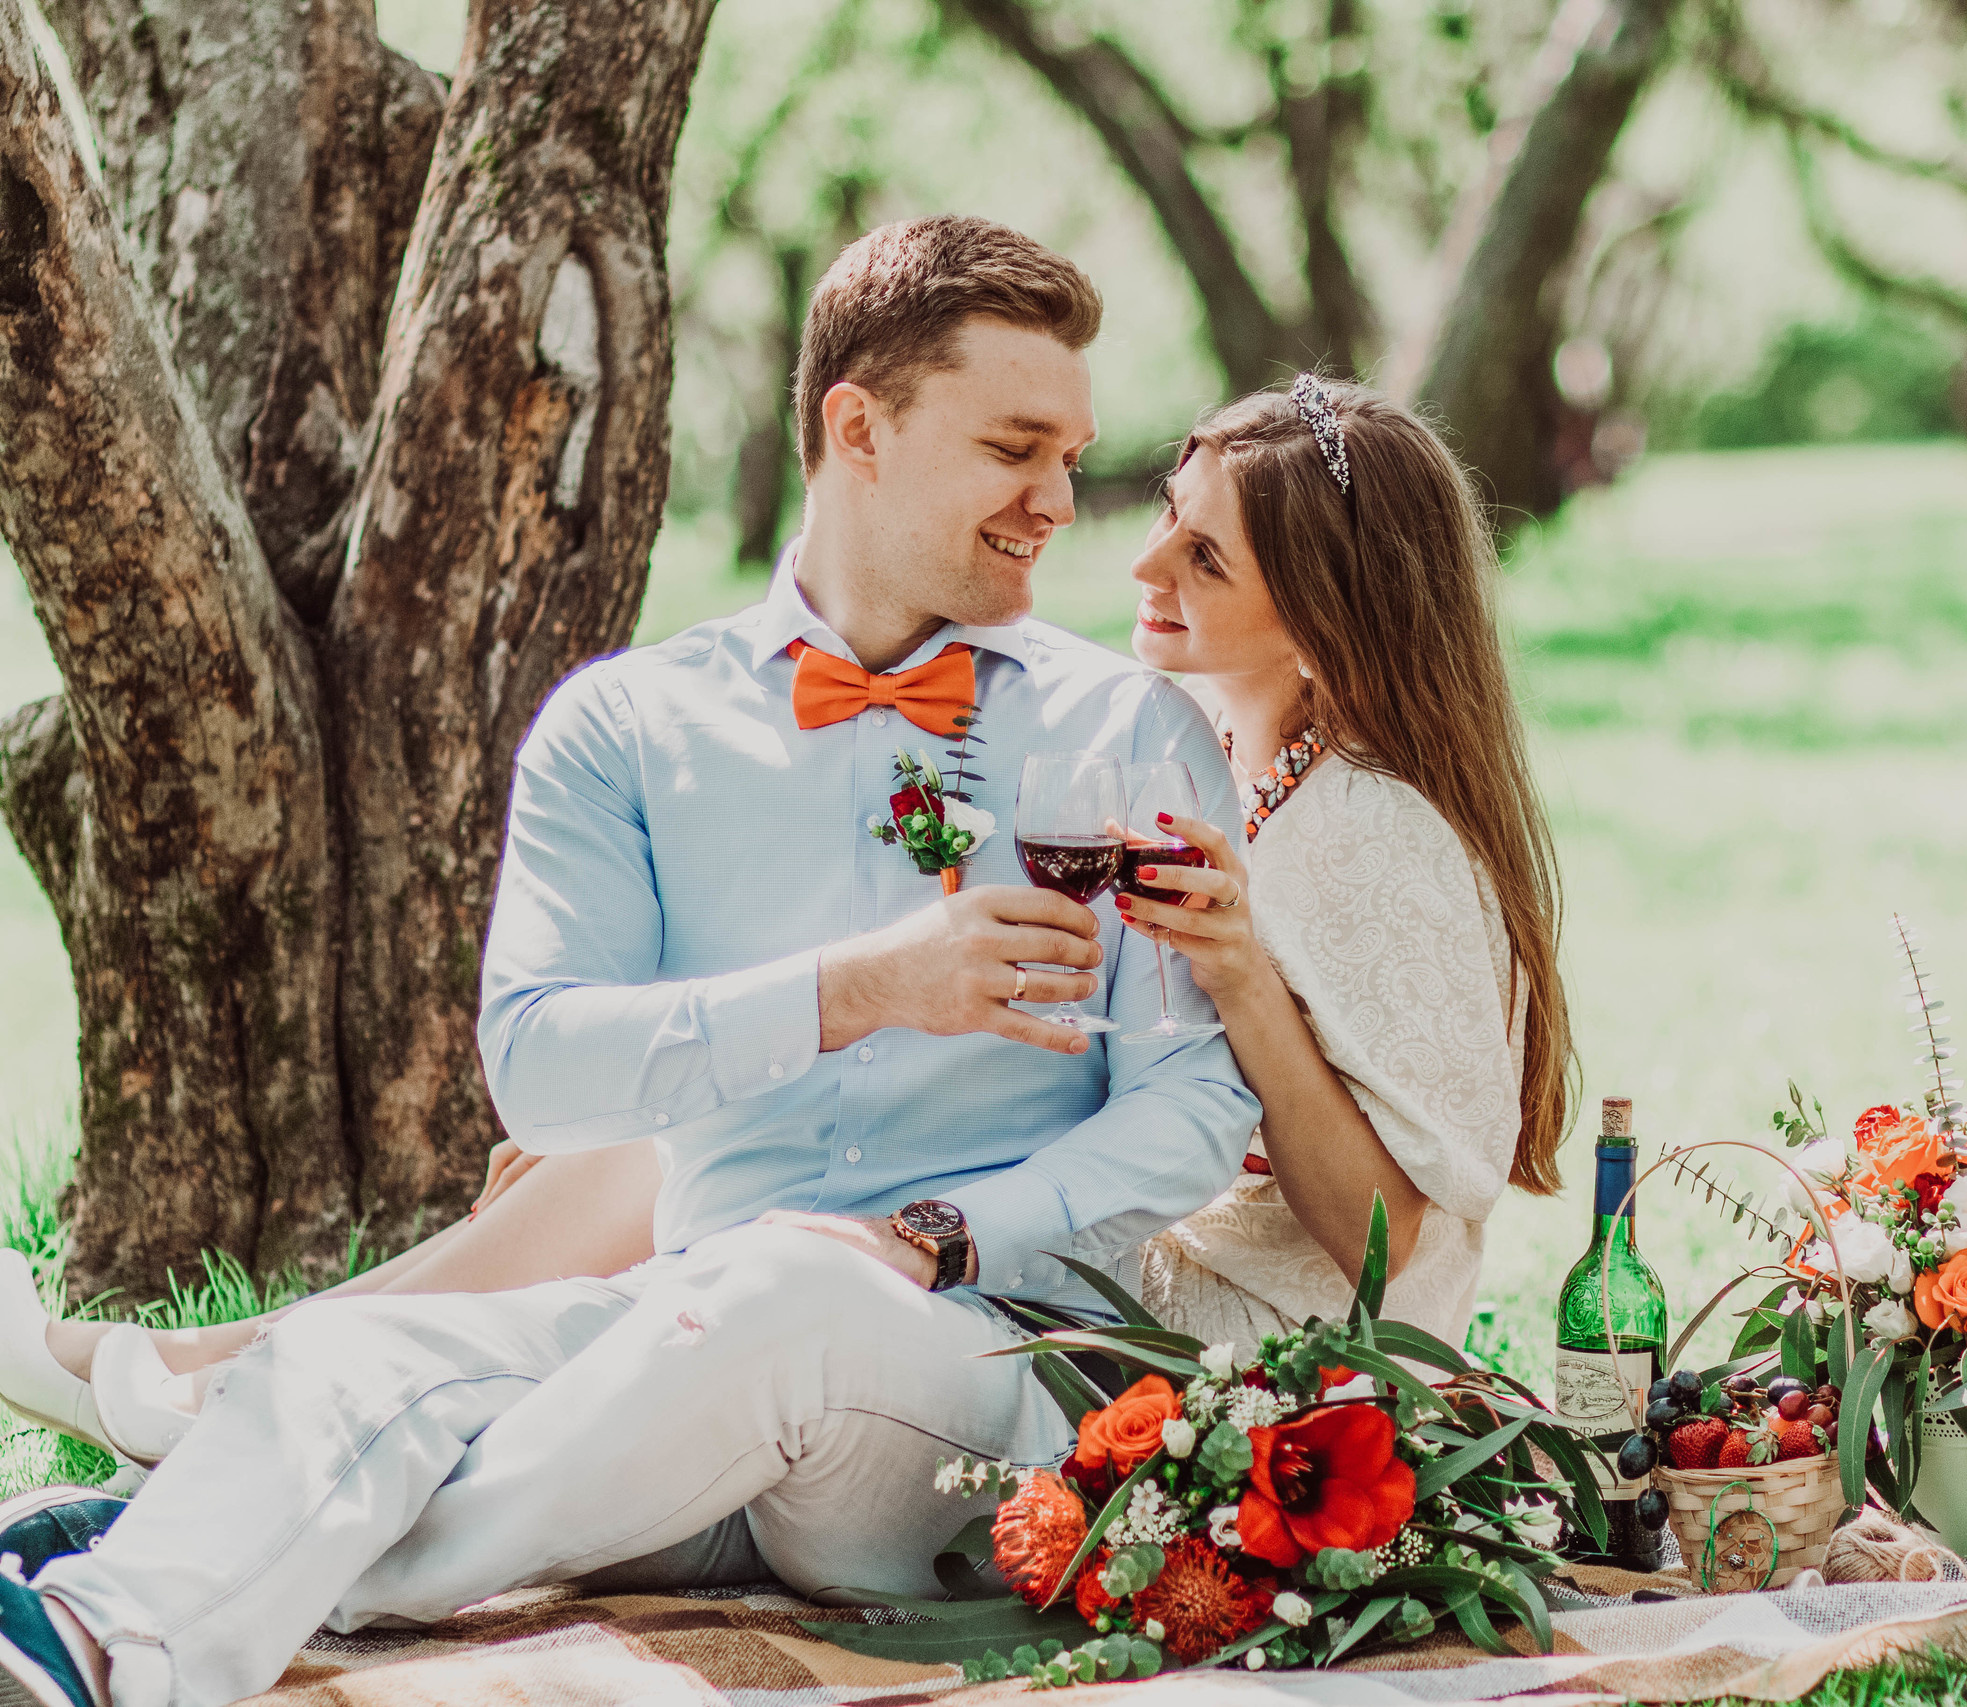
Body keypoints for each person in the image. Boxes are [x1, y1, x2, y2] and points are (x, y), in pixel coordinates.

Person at [0, 214, 1262, 1707]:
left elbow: (1194, 1110)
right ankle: (98, 1646)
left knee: (784, 1294)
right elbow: (543, 1065)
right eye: (1016, 448)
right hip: (657, 1385)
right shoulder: (626, 729)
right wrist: (859, 989)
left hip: (975, 1391)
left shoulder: (1129, 736)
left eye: (1071, 452)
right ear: (859, 427)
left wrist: (929, 1231)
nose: (1062, 500)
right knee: (361, 1356)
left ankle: (217, 1527)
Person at [0, 376, 1578, 1469]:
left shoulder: (1369, 834)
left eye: (1204, 551)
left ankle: (244, 1387)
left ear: (1330, 609)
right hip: (1094, 1263)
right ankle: (241, 1370)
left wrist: (1240, 984)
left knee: (705, 1198)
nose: (1143, 560)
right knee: (675, 1139)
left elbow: (1391, 1253)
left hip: (1215, 1373)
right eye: (1163, 513)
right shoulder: (1242, 771)